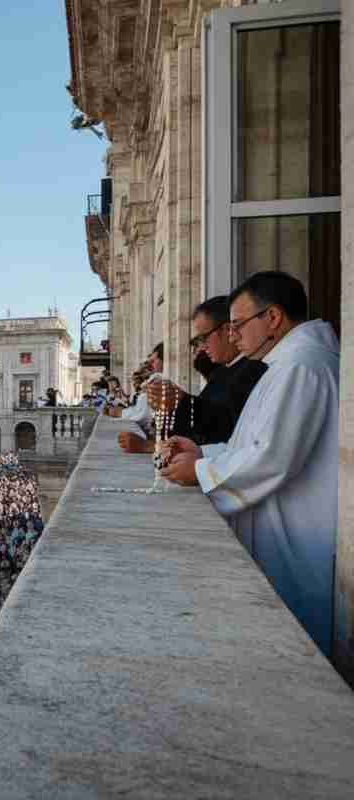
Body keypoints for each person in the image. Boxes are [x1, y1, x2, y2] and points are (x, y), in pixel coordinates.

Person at [161, 271, 339, 654]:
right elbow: (254, 443)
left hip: (299, 534)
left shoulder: (302, 366)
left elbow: (272, 456)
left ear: (272, 317)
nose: (234, 335)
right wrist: (202, 454)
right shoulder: (286, 364)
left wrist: (199, 472)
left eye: (238, 324)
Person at [123, 296, 267, 453]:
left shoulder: (253, 369)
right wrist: (168, 407)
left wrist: (181, 401)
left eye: (204, 338)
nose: (202, 347)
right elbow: (196, 427)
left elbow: (230, 428)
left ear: (227, 331)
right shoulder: (222, 372)